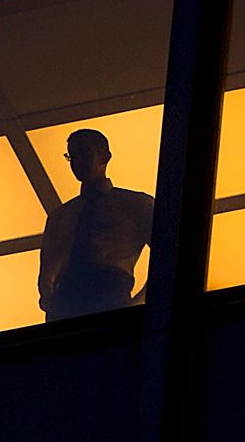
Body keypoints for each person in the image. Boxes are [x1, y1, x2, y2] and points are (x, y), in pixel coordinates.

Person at [38, 125, 157, 318]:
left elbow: (168, 257)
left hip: (107, 290)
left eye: (84, 153)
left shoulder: (136, 205)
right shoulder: (61, 216)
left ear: (105, 156)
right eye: (72, 156)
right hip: (70, 297)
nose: (77, 162)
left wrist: (139, 301)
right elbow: (48, 266)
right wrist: (49, 300)